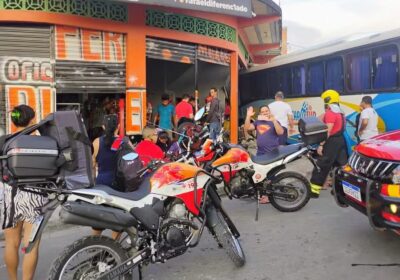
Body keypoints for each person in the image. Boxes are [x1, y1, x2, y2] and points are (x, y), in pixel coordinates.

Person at [2, 104, 47, 280]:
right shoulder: (45, 142)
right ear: (32, 120)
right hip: (36, 194)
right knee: (32, 245)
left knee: (11, 244)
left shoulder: (4, 141)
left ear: (13, 121)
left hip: (10, 194)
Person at [310, 90, 348, 198]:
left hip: (331, 142)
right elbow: (319, 119)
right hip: (340, 141)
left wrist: (321, 145)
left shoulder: (331, 113)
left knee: (322, 165)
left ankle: (314, 191)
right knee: (341, 166)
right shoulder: (340, 112)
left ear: (328, 100)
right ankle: (341, 190)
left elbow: (328, 131)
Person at [91, 114, 123, 240]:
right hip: (119, 184)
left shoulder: (97, 142)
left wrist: (93, 184)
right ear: (118, 126)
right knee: (118, 217)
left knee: (99, 217)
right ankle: (113, 245)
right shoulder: (123, 141)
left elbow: (92, 165)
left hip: (101, 183)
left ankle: (93, 245)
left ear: (103, 126)